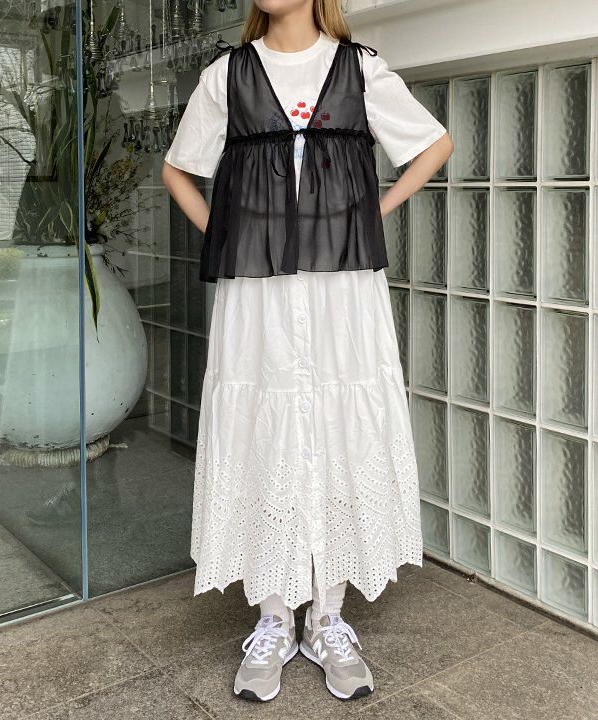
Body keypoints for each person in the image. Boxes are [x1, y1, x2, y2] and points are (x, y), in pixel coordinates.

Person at [162, 0, 454, 704]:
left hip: (340, 289)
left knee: (338, 427)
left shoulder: (359, 69)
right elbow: (178, 170)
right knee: (263, 429)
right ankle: (272, 619)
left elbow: (433, 144)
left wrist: (370, 214)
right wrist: (228, 234)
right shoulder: (227, 76)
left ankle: (328, 619)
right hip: (258, 296)